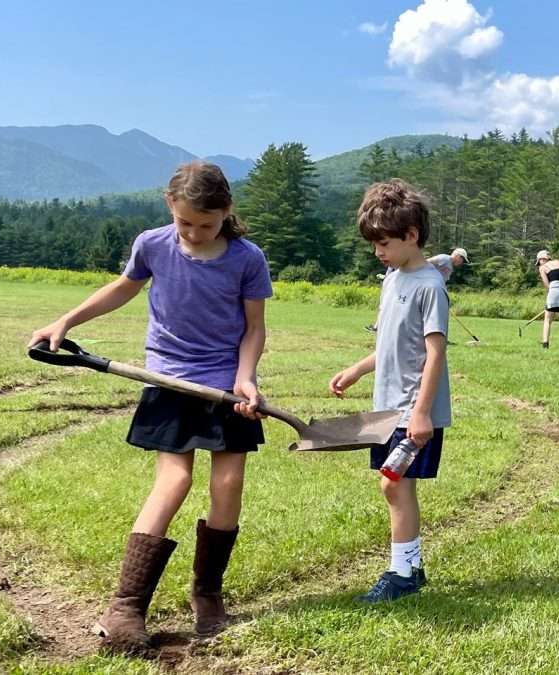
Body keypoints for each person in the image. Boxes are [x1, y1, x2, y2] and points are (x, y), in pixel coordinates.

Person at [28, 161, 273, 653]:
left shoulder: (247, 259)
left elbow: (254, 328)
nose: (195, 234)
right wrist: (65, 323)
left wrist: (246, 378)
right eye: (185, 223)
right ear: (170, 208)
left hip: (224, 384)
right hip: (166, 379)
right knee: (175, 480)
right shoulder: (153, 244)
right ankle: (125, 607)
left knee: (227, 483)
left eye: (207, 225)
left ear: (227, 212)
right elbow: (123, 287)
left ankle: (207, 592)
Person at [329, 179, 451, 603]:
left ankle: (402, 573)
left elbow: (434, 354)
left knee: (392, 483)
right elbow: (390, 344)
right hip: (387, 408)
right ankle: (411, 567)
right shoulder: (393, 279)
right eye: (373, 243)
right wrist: (358, 370)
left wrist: (421, 414)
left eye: (383, 242)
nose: (377, 251)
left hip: (412, 410)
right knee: (394, 485)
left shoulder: (429, 287)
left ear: (411, 235)